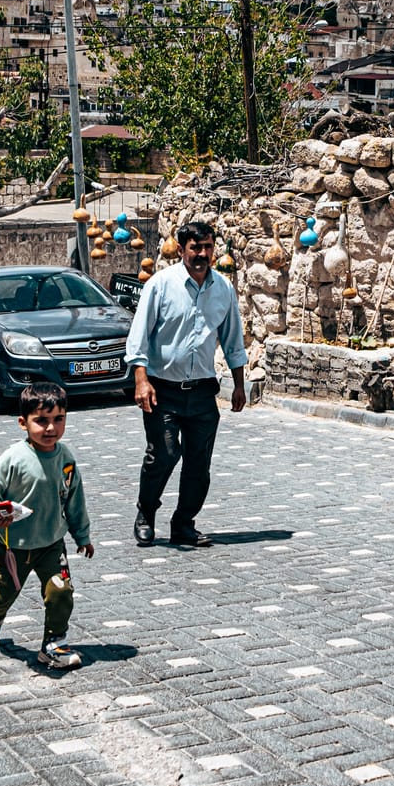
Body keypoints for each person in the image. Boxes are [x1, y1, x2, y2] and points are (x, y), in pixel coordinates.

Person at [126, 220, 247, 549]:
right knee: (163, 454)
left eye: (208, 247)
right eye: (195, 248)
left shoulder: (223, 289)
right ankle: (146, 513)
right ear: (181, 250)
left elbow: (233, 340)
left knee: (198, 464)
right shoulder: (160, 285)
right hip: (161, 390)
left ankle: (184, 524)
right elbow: (138, 337)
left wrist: (239, 384)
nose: (202, 254)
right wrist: (140, 380)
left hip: (202, 392)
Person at [0, 383, 93, 668]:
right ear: (23, 423)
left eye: (58, 419)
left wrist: (82, 535)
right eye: (41, 420)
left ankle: (54, 644)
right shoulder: (13, 458)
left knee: (60, 590)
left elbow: (74, 500)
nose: (51, 427)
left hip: (52, 544)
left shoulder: (66, 458)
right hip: (12, 547)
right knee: (4, 592)